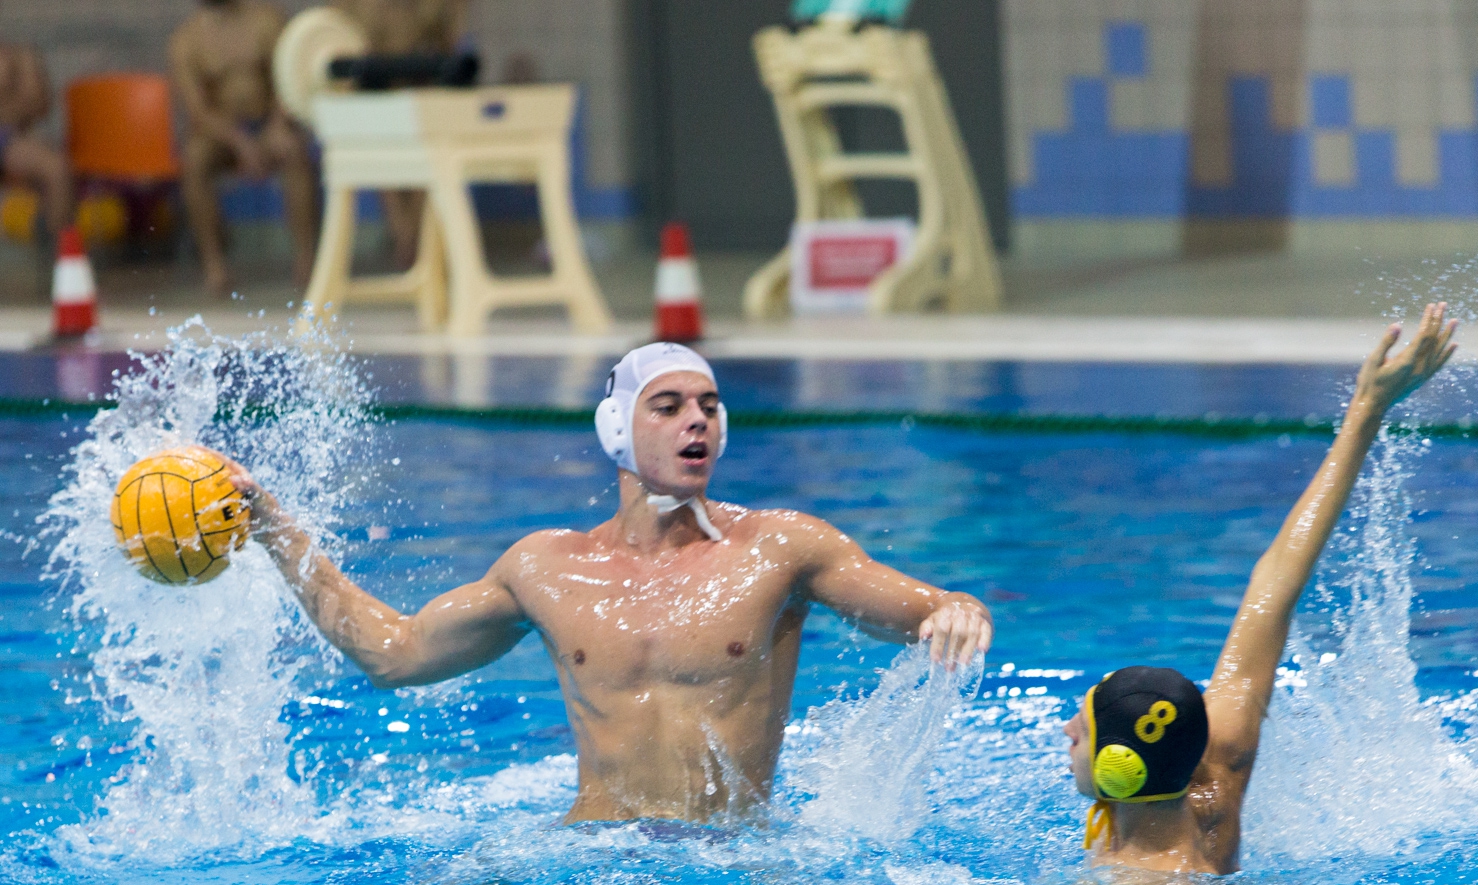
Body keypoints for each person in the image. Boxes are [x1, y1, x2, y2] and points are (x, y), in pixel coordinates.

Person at [226, 343, 993, 824]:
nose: (698, 421)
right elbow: (395, 653)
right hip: (591, 858)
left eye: (710, 407)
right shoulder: (547, 569)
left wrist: (959, 611)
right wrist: (271, 525)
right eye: (670, 406)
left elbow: (927, 607)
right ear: (617, 429)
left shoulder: (780, 549)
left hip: (732, 861)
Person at [1064, 303, 1460, 875]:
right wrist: (1367, 406)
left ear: (1118, 770)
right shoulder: (1216, 759)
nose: (1066, 730)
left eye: (1081, 733)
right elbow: (1276, 580)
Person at [169, 0, 318, 295]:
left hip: (268, 122)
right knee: (194, 160)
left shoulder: (266, 21)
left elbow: (288, 78)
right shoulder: (186, 41)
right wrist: (239, 143)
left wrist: (278, 124)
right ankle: (214, 264)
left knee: (293, 150)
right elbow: (198, 111)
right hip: (223, 134)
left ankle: (307, 258)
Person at [334, 0, 470, 269]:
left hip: (420, 97)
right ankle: (405, 235)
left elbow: (449, 54)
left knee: (431, 145)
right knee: (379, 141)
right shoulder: (353, 8)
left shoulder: (436, 8)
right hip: (372, 99)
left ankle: (412, 237)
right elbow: (338, 57)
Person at [0, 43, 73, 239]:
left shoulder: (18, 56)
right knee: (56, 169)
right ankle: (58, 240)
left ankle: (59, 245)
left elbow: (39, 107)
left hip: (9, 136)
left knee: (56, 169)